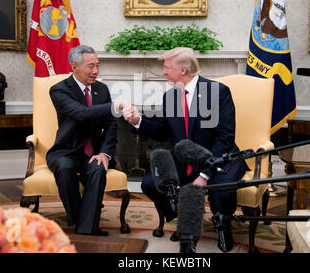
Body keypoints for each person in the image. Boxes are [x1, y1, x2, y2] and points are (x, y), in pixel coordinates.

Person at [122, 47, 247, 252]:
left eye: (167, 67)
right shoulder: (170, 97)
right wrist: (138, 121)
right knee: (150, 183)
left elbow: (224, 138)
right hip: (185, 159)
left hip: (219, 157)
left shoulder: (218, 92)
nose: (163, 72)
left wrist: (205, 174)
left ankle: (224, 227)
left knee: (222, 192)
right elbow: (162, 131)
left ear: (183, 70)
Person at [46, 45, 118, 236]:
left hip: (92, 152)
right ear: (74, 67)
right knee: (65, 167)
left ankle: (86, 231)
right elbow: (81, 113)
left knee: (98, 168)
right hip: (66, 150)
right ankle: (80, 219)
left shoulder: (102, 90)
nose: (95, 71)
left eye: (97, 65)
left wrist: (104, 153)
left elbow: (111, 125)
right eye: (90, 66)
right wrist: (114, 106)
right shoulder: (59, 90)